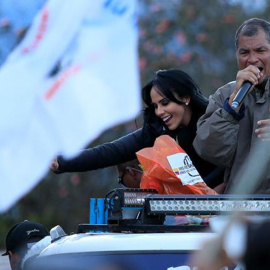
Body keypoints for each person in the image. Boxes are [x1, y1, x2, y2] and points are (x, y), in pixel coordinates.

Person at [51, 69, 223, 189]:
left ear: (186, 98)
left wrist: (198, 195)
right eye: (155, 106)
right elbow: (111, 152)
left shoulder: (216, 123)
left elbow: (230, 168)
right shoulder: (157, 130)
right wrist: (63, 162)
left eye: (165, 103)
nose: (159, 112)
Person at [193, 18, 270, 194]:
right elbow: (208, 150)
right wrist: (230, 108)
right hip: (239, 210)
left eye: (260, 50)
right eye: (244, 52)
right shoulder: (225, 95)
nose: (252, 59)